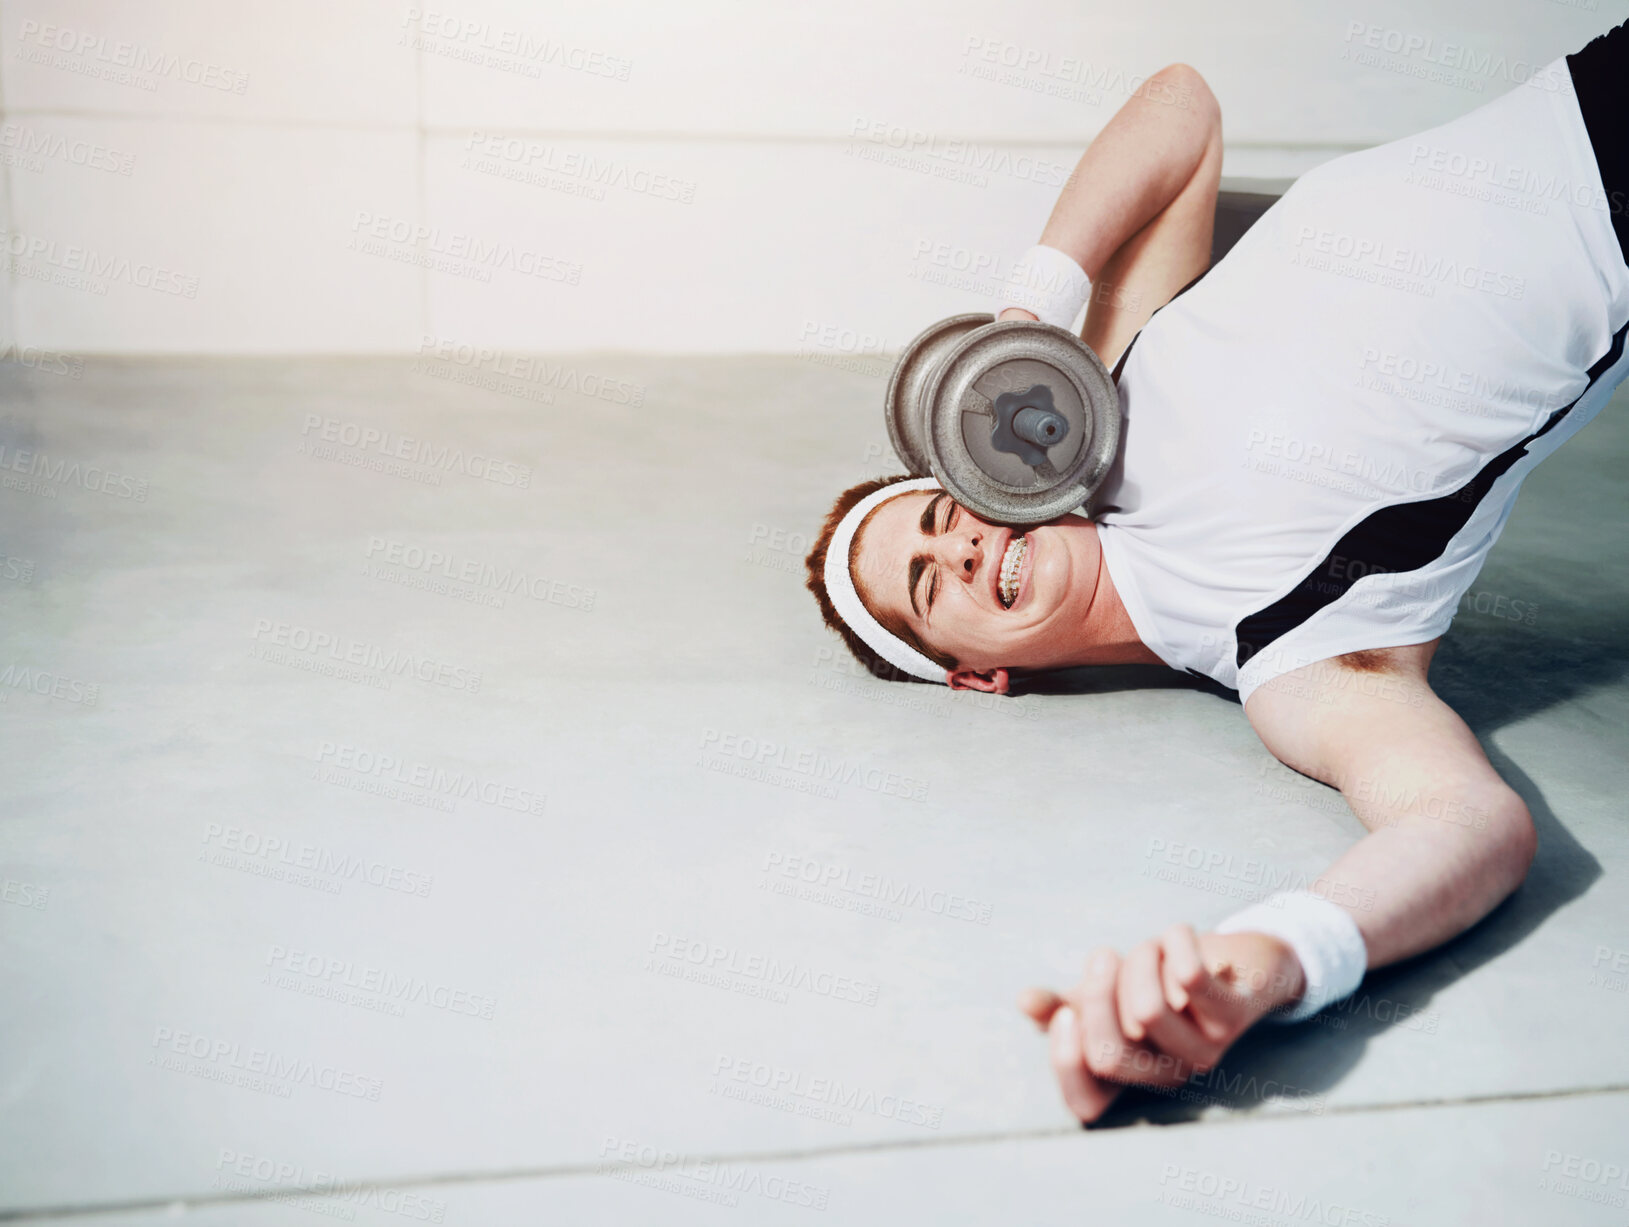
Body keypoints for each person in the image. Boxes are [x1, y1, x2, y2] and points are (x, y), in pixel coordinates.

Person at [802, 23, 1629, 1123]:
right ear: (972, 674)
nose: (956, 546)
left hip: (1586, 83)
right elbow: (1463, 819)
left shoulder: (1116, 378)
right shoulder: (1286, 651)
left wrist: (1035, 305)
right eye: (928, 583)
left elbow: (1179, 108)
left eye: (944, 514)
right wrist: (1273, 957)